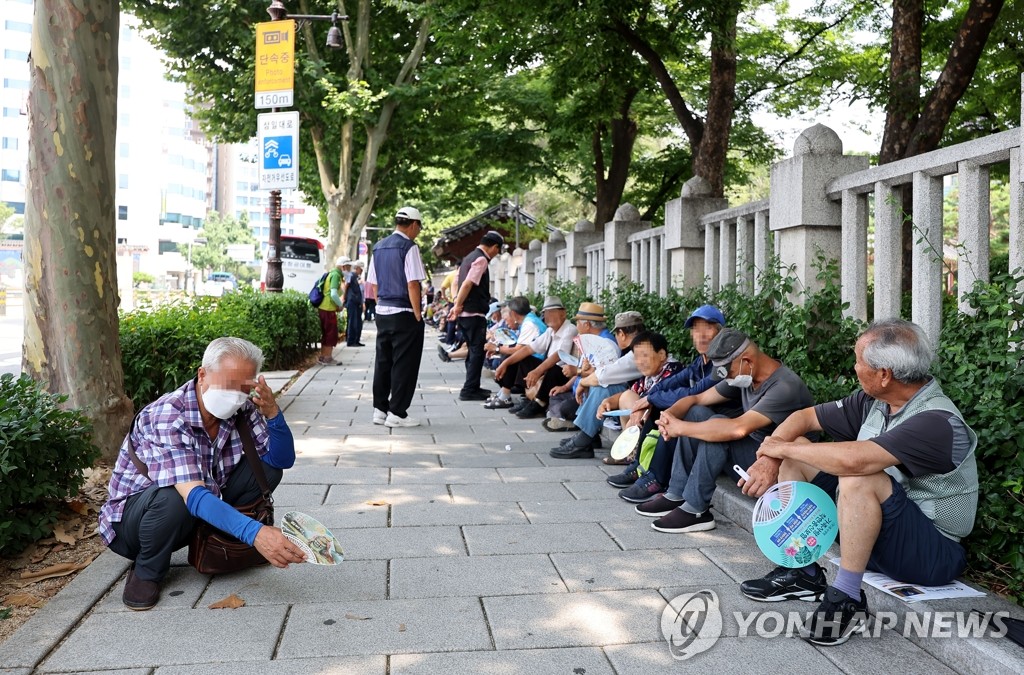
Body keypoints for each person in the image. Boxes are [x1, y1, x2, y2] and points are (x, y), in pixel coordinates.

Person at [738, 319, 978, 646]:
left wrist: (779, 447)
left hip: (932, 553)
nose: (854, 367)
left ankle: (846, 598)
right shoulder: (875, 402)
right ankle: (803, 573)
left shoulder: (937, 422)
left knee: (857, 477)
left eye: (859, 361)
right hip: (879, 533)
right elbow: (804, 418)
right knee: (799, 457)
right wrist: (772, 457)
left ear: (884, 374)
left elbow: (858, 461)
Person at [98, 337, 306, 610]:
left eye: (243, 387)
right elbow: (193, 496)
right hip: (135, 523)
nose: (235, 395)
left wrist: (273, 413)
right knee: (174, 496)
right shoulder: (169, 415)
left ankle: (218, 536)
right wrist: (257, 534)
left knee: (266, 470)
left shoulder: (241, 408)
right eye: (228, 383)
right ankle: (147, 570)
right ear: (203, 374)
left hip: (197, 505)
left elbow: (281, 460)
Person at [642, 328, 815, 533]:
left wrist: (681, 428)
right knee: (696, 412)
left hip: (775, 471)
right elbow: (697, 399)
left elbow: (737, 429)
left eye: (728, 371)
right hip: (752, 457)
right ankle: (676, 494)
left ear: (747, 361)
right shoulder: (747, 375)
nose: (728, 378)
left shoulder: (785, 387)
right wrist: (670, 416)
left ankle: (696, 511)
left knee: (720, 426)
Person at [612, 305, 726, 494]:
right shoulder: (700, 362)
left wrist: (652, 399)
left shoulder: (722, 363)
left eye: (708, 328)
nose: (701, 335)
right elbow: (670, 383)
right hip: (702, 424)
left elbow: (695, 392)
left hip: (718, 429)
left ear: (721, 333)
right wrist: (648, 399)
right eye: (696, 329)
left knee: (680, 409)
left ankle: (658, 478)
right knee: (659, 403)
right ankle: (641, 467)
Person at [365, 206, 428, 428]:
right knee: (404, 364)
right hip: (404, 312)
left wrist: (379, 305)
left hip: (383, 311)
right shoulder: (409, 248)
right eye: (419, 227)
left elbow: (373, 285)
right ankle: (397, 413)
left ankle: (379, 409)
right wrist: (418, 315)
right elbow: (413, 284)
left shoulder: (378, 247)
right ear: (413, 224)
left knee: (383, 361)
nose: (418, 231)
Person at [546, 302, 619, 457]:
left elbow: (604, 375)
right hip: (586, 390)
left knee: (597, 389)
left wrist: (579, 373)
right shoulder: (593, 340)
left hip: (607, 390)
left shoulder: (607, 344)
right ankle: (588, 437)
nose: (576, 326)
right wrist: (576, 378)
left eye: (578, 322)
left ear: (586, 325)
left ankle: (583, 440)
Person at [449, 230, 504, 400]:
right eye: (498, 250)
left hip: (466, 313)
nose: (496, 254)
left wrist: (456, 304)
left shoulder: (468, 258)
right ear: (494, 247)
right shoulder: (481, 259)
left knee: (473, 351)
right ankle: (469, 390)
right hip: (473, 313)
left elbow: (456, 283)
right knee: (476, 351)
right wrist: (457, 305)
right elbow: (466, 284)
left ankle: (472, 386)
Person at [505, 296, 578, 419]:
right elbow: (529, 348)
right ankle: (526, 397)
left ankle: (539, 403)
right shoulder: (550, 331)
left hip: (565, 373)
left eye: (552, 312)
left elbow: (560, 354)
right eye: (546, 313)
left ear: (563, 313)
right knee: (524, 359)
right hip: (549, 371)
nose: (548, 316)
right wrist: (505, 363)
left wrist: (538, 371)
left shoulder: (570, 329)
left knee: (554, 368)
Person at [485, 296, 546, 409]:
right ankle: (503, 393)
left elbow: (520, 350)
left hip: (540, 363)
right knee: (509, 357)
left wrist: (497, 349)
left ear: (513, 313)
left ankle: (505, 396)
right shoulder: (529, 320)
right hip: (537, 360)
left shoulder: (529, 324)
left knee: (512, 358)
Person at [316, 256, 348, 365]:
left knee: (326, 333)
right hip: (328, 308)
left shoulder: (332, 273)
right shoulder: (335, 275)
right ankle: (327, 358)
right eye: (348, 267)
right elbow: (334, 294)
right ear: (343, 266)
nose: (348, 270)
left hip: (324, 307)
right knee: (331, 333)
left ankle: (323, 357)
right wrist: (340, 305)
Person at [345, 260, 366, 347]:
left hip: (357, 302)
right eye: (360, 269)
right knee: (352, 322)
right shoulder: (351, 275)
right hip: (352, 301)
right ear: (357, 268)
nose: (361, 271)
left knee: (358, 322)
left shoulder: (357, 277)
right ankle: (351, 340)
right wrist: (344, 297)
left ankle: (356, 340)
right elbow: (346, 285)